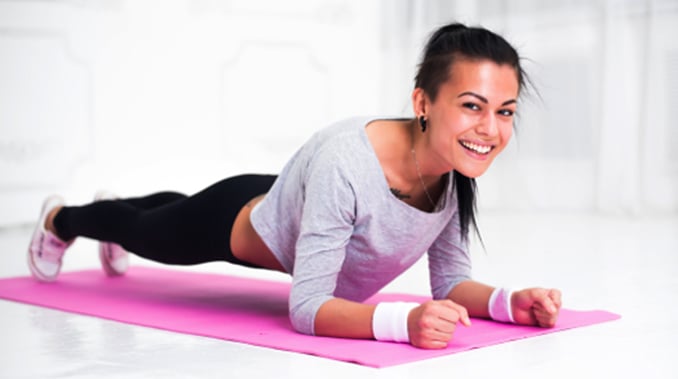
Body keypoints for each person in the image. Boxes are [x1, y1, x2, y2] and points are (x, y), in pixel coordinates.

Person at [27, 22, 562, 349]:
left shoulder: (452, 166)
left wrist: (510, 302)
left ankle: (111, 209)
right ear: (423, 102)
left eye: (505, 111)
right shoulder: (346, 162)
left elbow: (449, 283)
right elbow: (308, 308)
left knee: (163, 211)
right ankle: (62, 220)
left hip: (302, 201)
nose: (490, 130)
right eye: (472, 106)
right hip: (237, 224)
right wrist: (404, 323)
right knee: (147, 230)